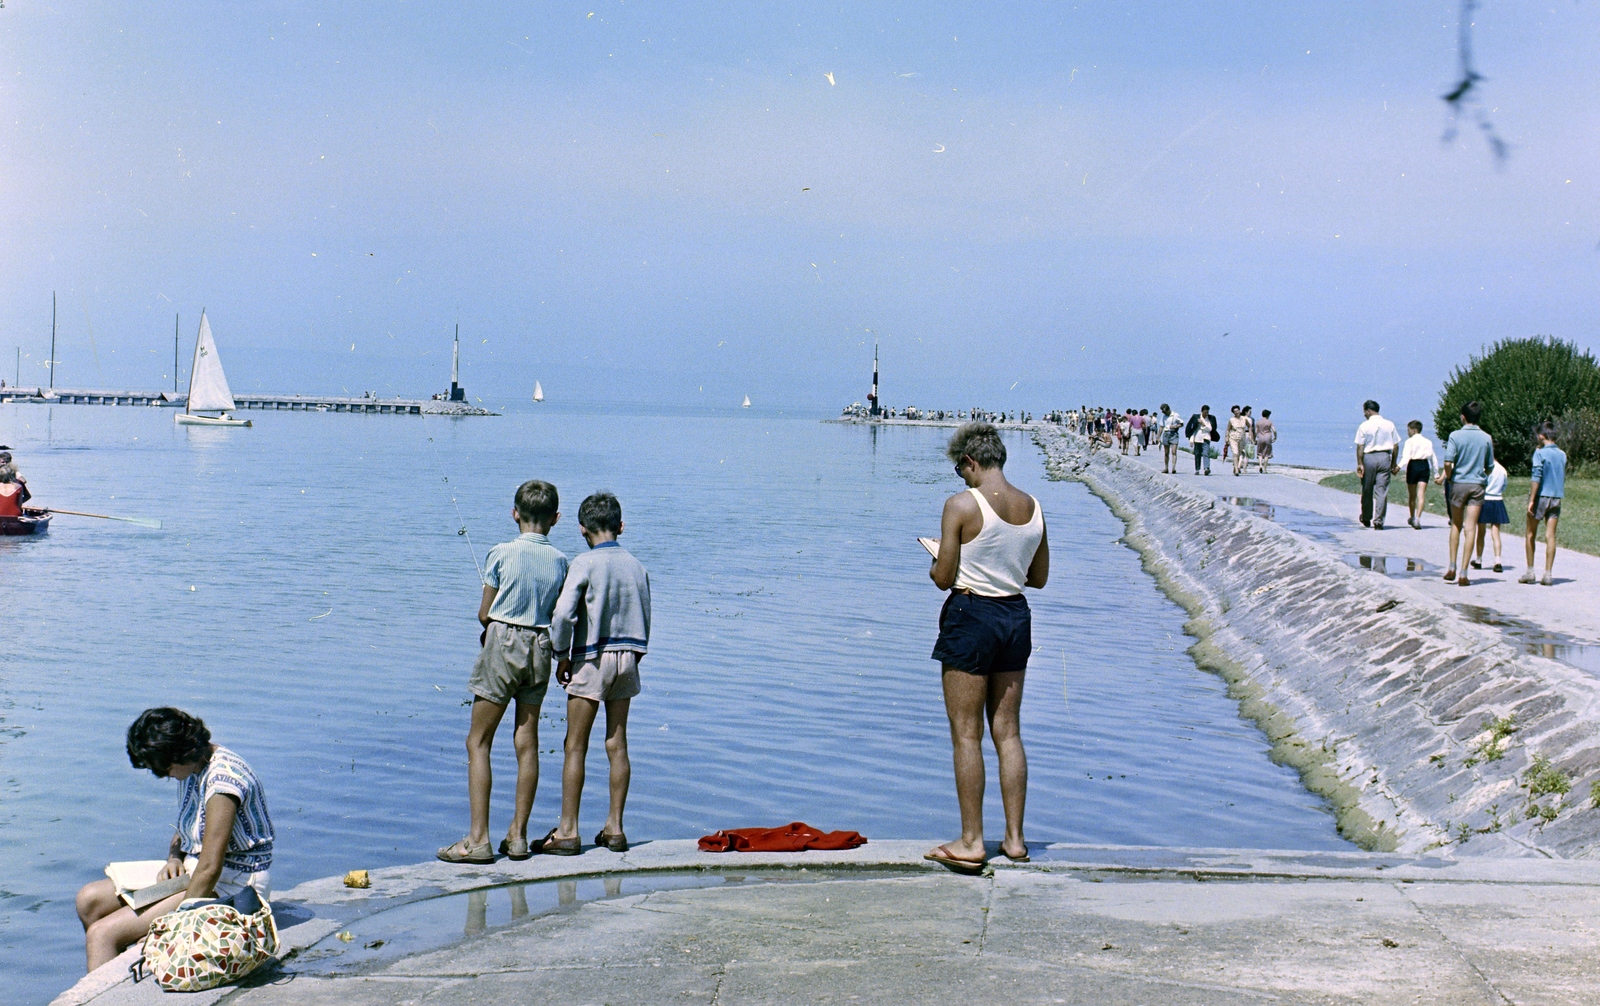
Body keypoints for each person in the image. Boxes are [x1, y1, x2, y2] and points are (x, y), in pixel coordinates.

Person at [925, 423, 1048, 873]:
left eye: (961, 468)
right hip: (1016, 616)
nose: (961, 477)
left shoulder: (960, 505)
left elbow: (943, 579)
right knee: (1008, 732)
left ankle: (972, 841)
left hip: (972, 617)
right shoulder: (1032, 507)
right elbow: (1038, 578)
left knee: (966, 734)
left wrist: (939, 557)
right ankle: (1015, 839)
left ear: (971, 461)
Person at [75, 708, 273, 972]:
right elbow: (189, 825)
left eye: (163, 768)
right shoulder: (195, 767)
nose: (162, 775)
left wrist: (172, 928)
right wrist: (174, 857)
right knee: (89, 899)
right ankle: (120, 971)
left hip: (232, 884)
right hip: (196, 871)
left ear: (181, 754)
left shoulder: (223, 783)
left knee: (102, 935)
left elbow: (210, 867)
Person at [438, 480, 569, 864]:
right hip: (541, 647)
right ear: (555, 519)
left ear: (515, 514)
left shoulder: (500, 552)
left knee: (478, 742)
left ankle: (478, 839)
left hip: (503, 643)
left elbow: (484, 613)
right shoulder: (561, 561)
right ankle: (518, 836)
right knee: (526, 741)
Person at [543, 492, 651, 855]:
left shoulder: (584, 562)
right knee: (617, 744)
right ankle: (615, 828)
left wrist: (560, 654)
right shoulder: (637, 565)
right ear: (620, 526)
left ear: (582, 529)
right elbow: (645, 614)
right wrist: (636, 654)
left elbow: (562, 616)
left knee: (575, 745)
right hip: (628, 657)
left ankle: (568, 830)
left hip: (590, 659)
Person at [1440, 400, 1494, 586]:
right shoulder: (1486, 437)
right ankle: (1464, 572)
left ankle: (1452, 566)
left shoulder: (1455, 436)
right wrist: (1481, 476)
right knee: (1471, 528)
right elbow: (1490, 466)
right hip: (1477, 485)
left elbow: (1448, 462)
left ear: (1463, 417)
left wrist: (1449, 477)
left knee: (1456, 524)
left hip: (1459, 483)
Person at [1521, 423, 1567, 586]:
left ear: (1541, 436)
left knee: (1530, 533)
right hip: (1556, 497)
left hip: (1541, 496)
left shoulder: (1539, 453)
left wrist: (1532, 499)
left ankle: (1530, 571)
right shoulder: (1562, 454)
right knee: (1550, 535)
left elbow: (1536, 477)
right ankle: (1548, 573)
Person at [1354, 400, 1401, 530]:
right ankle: (1379, 520)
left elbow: (1360, 446)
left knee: (1367, 489)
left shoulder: (1364, 425)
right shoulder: (1389, 424)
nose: (1364, 414)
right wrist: (1393, 462)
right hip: (1384, 457)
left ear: (1369, 411)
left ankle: (1366, 516)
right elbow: (1396, 445)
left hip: (1369, 457)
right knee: (1381, 490)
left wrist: (1360, 463)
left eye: (1364, 411)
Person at [1399, 421, 1439, 530]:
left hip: (1413, 465)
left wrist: (1398, 466)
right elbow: (1433, 458)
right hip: (1424, 465)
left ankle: (1412, 516)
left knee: (1412, 495)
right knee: (1421, 493)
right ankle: (1418, 517)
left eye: (1408, 430)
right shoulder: (1428, 442)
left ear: (1413, 430)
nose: (1407, 432)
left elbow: (1406, 457)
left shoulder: (1409, 442)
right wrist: (1436, 474)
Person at [1473, 460, 1509, 573]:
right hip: (1497, 499)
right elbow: (1504, 485)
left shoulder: (1485, 469)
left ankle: (1478, 560)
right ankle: (1497, 561)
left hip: (1485, 499)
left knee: (1481, 532)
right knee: (1496, 532)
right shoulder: (1502, 469)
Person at [1185, 405, 1218, 475]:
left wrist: (1203, 424)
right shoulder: (1196, 417)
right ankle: (1197, 469)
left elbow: (1210, 429)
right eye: (1205, 412)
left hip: (1206, 438)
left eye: (1207, 412)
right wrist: (1191, 440)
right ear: (1202, 411)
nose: (1206, 414)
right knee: (1197, 454)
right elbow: (1193, 430)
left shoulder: (1210, 419)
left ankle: (1206, 468)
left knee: (1206, 453)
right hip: (1197, 438)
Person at [1158, 404, 1183, 474]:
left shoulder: (1175, 415)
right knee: (1166, 452)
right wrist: (1158, 436)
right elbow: (1161, 427)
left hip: (1174, 434)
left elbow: (1181, 423)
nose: (1164, 413)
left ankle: (1173, 467)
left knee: (1174, 451)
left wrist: (1175, 426)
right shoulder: (1163, 417)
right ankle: (1166, 467)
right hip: (1166, 434)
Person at [1227, 407, 1251, 476]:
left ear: (1239, 411)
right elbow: (1228, 429)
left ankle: (1235, 467)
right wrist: (1226, 438)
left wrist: (1250, 435)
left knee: (1239, 453)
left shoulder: (1244, 419)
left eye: (1237, 410)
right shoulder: (1231, 420)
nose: (1236, 412)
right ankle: (1237, 470)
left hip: (1241, 438)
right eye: (1235, 411)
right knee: (1235, 453)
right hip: (1233, 438)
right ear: (1233, 413)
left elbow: (1249, 426)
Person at [1254, 409, 1277, 474]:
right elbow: (1274, 430)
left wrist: (1254, 439)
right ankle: (1265, 469)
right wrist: (1275, 437)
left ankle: (1260, 465)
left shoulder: (1258, 422)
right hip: (1268, 437)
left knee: (1260, 453)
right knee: (1267, 454)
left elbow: (1255, 432)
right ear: (1268, 415)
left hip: (1260, 437)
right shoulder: (1269, 422)